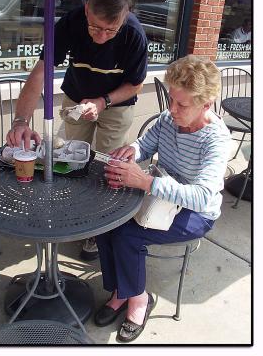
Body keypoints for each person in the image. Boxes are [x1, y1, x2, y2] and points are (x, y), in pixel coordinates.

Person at [6, 0, 148, 261]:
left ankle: (98, 228)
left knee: (108, 162)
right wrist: (20, 120)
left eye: (111, 30)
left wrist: (102, 102)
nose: (102, 37)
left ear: (123, 19)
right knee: (68, 159)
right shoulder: (69, 24)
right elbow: (39, 74)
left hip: (116, 103)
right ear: (86, 10)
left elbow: (136, 85)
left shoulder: (133, 34)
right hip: (77, 96)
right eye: (96, 27)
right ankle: (69, 210)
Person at [93, 55, 231, 343]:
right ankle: (122, 289)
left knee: (128, 236)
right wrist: (131, 150)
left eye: (182, 104)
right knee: (106, 222)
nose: (172, 109)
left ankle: (139, 300)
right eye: (171, 100)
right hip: (161, 195)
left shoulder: (215, 139)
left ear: (205, 104)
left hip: (196, 213)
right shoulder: (169, 120)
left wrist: (146, 181)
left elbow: (202, 195)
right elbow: (146, 143)